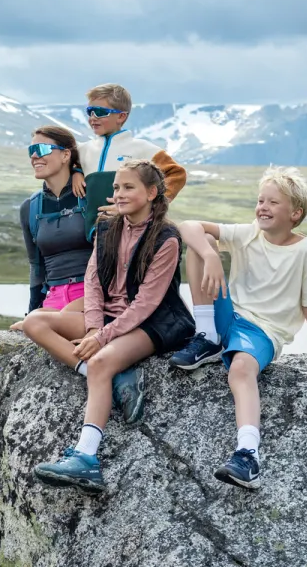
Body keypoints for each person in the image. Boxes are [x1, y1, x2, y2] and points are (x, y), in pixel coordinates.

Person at [168, 166, 307, 490]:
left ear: (295, 213)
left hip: (263, 332)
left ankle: (248, 455)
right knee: (201, 239)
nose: (262, 207)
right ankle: (208, 337)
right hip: (227, 316)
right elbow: (187, 226)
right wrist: (211, 254)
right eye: (260, 200)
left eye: (273, 202)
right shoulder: (250, 233)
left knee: (241, 370)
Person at [22, 160, 195, 494]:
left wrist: (101, 338)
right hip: (108, 320)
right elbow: (93, 282)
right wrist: (92, 328)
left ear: (152, 193)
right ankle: (109, 378)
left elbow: (146, 303)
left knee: (101, 358)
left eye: (128, 187)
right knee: (35, 322)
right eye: (116, 188)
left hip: (152, 323)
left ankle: (86, 458)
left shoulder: (166, 238)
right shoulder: (106, 227)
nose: (119, 194)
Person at [12, 126, 95, 330]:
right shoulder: (30, 207)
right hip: (54, 299)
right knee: (23, 328)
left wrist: (78, 171)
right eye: (30, 151)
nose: (34, 157)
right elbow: (36, 265)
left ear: (66, 154)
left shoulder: (90, 196)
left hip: (92, 297)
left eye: (41, 149)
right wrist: (32, 311)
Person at [70, 83, 187, 203]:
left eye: (100, 112)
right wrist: (76, 172)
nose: (93, 117)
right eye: (90, 111)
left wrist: (153, 206)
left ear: (121, 116)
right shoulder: (81, 149)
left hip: (129, 221)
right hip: (88, 221)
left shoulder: (143, 149)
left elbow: (177, 173)